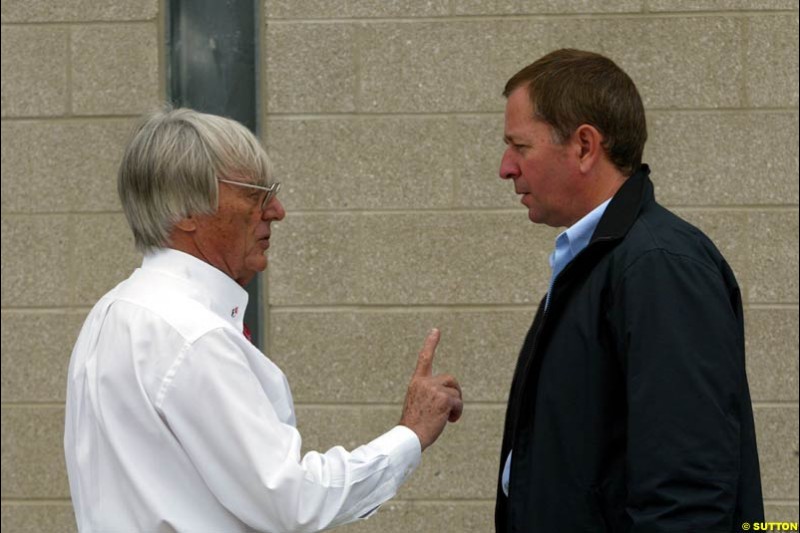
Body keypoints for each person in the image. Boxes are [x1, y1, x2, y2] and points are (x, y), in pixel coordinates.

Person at [64, 108, 463, 532]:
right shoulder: (192, 336)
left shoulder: (114, 312)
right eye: (256, 194)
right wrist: (411, 433)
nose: (276, 211)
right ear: (186, 212)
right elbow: (293, 501)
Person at [495, 49, 763, 532]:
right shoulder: (597, 262)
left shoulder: (659, 267)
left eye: (520, 146)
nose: (505, 168)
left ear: (583, 146)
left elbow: (688, 494)